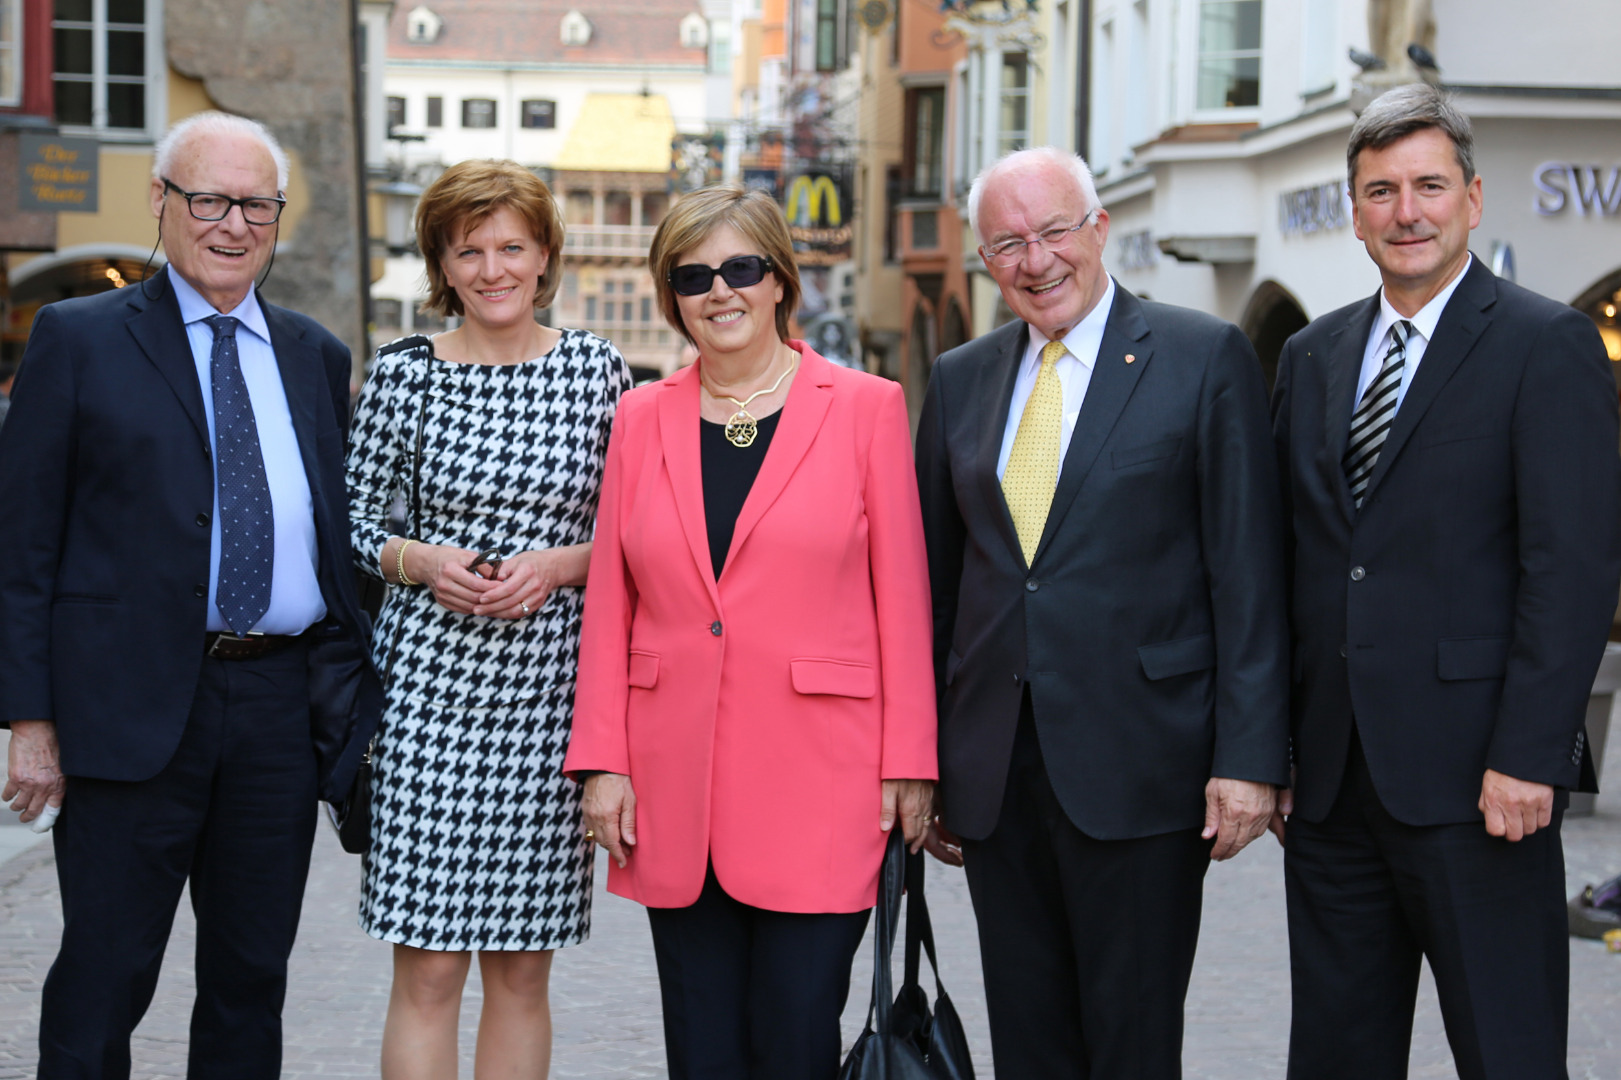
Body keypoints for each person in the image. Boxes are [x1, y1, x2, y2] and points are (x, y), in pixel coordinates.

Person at [0, 111, 381, 1078]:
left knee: (251, 979)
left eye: (256, 203)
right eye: (209, 198)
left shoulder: (314, 355)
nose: (232, 223)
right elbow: (23, 544)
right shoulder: (77, 338)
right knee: (102, 975)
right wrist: (31, 720)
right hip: (129, 708)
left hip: (276, 714)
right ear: (162, 204)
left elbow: (334, 538)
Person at [914, 146, 1290, 1080]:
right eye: (1006, 243)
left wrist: (1248, 761)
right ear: (983, 258)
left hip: (1143, 767)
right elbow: (936, 586)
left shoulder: (1202, 357)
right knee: (1028, 1038)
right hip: (996, 772)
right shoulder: (960, 378)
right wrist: (923, 760)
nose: (1034, 261)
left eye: (1051, 233)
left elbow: (1247, 575)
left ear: (1099, 229)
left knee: (1129, 1039)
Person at [1271, 83, 1621, 1080]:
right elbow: (1293, 561)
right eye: (1379, 191)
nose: (1406, 212)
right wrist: (1279, 746)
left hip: (1482, 790)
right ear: (1352, 212)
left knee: (1506, 1055)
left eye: (1428, 186)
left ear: (1472, 198)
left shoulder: (1542, 343)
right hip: (1333, 792)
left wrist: (1528, 756)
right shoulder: (1310, 354)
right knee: (1335, 1059)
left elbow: (1572, 565)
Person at [564, 184, 937, 1080]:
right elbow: (613, 601)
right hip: (672, 785)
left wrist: (910, 764)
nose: (718, 291)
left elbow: (904, 598)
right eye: (693, 275)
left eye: (740, 268)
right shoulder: (639, 417)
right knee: (700, 1050)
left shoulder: (865, 407)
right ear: (671, 294)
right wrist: (603, 762)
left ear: (779, 281)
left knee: (795, 1039)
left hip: (825, 781)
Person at [346, 159, 630, 1079]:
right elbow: (349, 527)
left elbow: (638, 538)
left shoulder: (598, 372)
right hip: (426, 701)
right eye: (468, 250)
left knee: (519, 971)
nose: (492, 268)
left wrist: (560, 564)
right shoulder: (403, 376)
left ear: (545, 255)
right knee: (426, 971)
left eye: (512, 246)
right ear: (441, 261)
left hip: (550, 704)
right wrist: (419, 561)